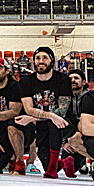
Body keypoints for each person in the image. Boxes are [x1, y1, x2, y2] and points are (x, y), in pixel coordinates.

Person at [19, 47, 73, 178]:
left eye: (45, 58)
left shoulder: (63, 80)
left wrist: (33, 118)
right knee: (45, 161)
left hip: (64, 123)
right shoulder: (26, 81)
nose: (41, 61)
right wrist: (49, 115)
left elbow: (62, 111)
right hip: (43, 124)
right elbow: (28, 109)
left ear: (52, 61)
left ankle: (54, 167)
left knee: (54, 124)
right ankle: (66, 163)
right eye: (37, 58)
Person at [59, 69, 94, 178]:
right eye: (70, 79)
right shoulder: (63, 98)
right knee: (69, 166)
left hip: (89, 134)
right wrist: (64, 143)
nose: (72, 81)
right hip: (71, 136)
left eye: (76, 78)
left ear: (84, 82)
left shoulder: (93, 97)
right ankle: (82, 162)